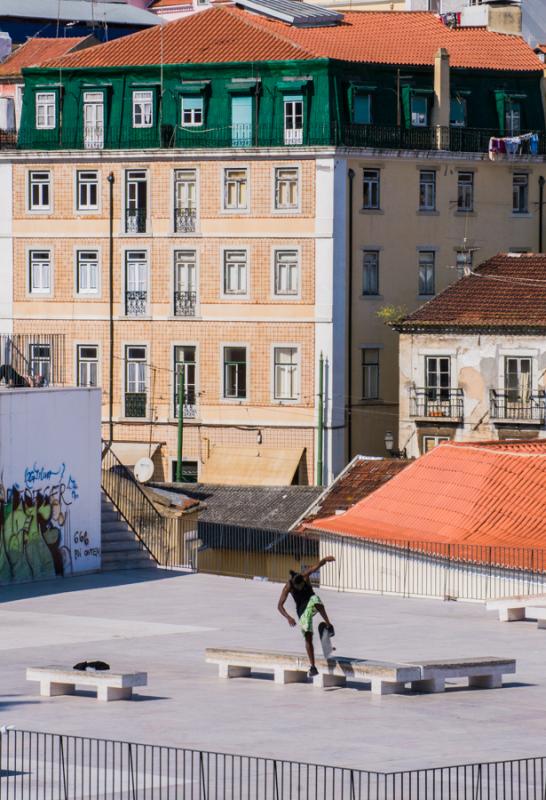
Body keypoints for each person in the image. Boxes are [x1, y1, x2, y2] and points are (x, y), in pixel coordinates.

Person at [277, 556, 336, 677]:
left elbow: (317, 566)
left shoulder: (305, 575)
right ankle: (313, 667)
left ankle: (329, 626)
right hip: (302, 611)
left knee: (316, 600)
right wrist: (288, 617)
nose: (300, 588)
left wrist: (325, 560)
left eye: (301, 585)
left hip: (311, 600)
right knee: (308, 636)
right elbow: (279, 605)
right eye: (297, 587)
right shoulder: (288, 586)